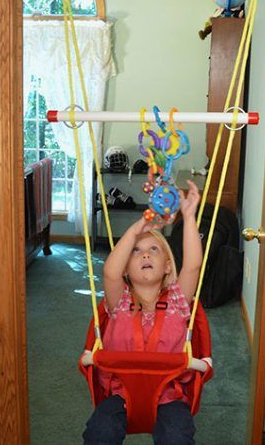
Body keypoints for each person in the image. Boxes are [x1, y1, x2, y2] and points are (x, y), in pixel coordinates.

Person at [83, 180, 204, 445]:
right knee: (98, 432)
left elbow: (194, 265)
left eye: (153, 249)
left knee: (177, 438)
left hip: (169, 397)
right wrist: (137, 229)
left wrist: (189, 216)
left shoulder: (177, 301)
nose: (144, 255)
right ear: (126, 268)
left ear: (168, 267)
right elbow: (109, 272)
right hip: (120, 394)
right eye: (135, 251)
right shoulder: (119, 301)